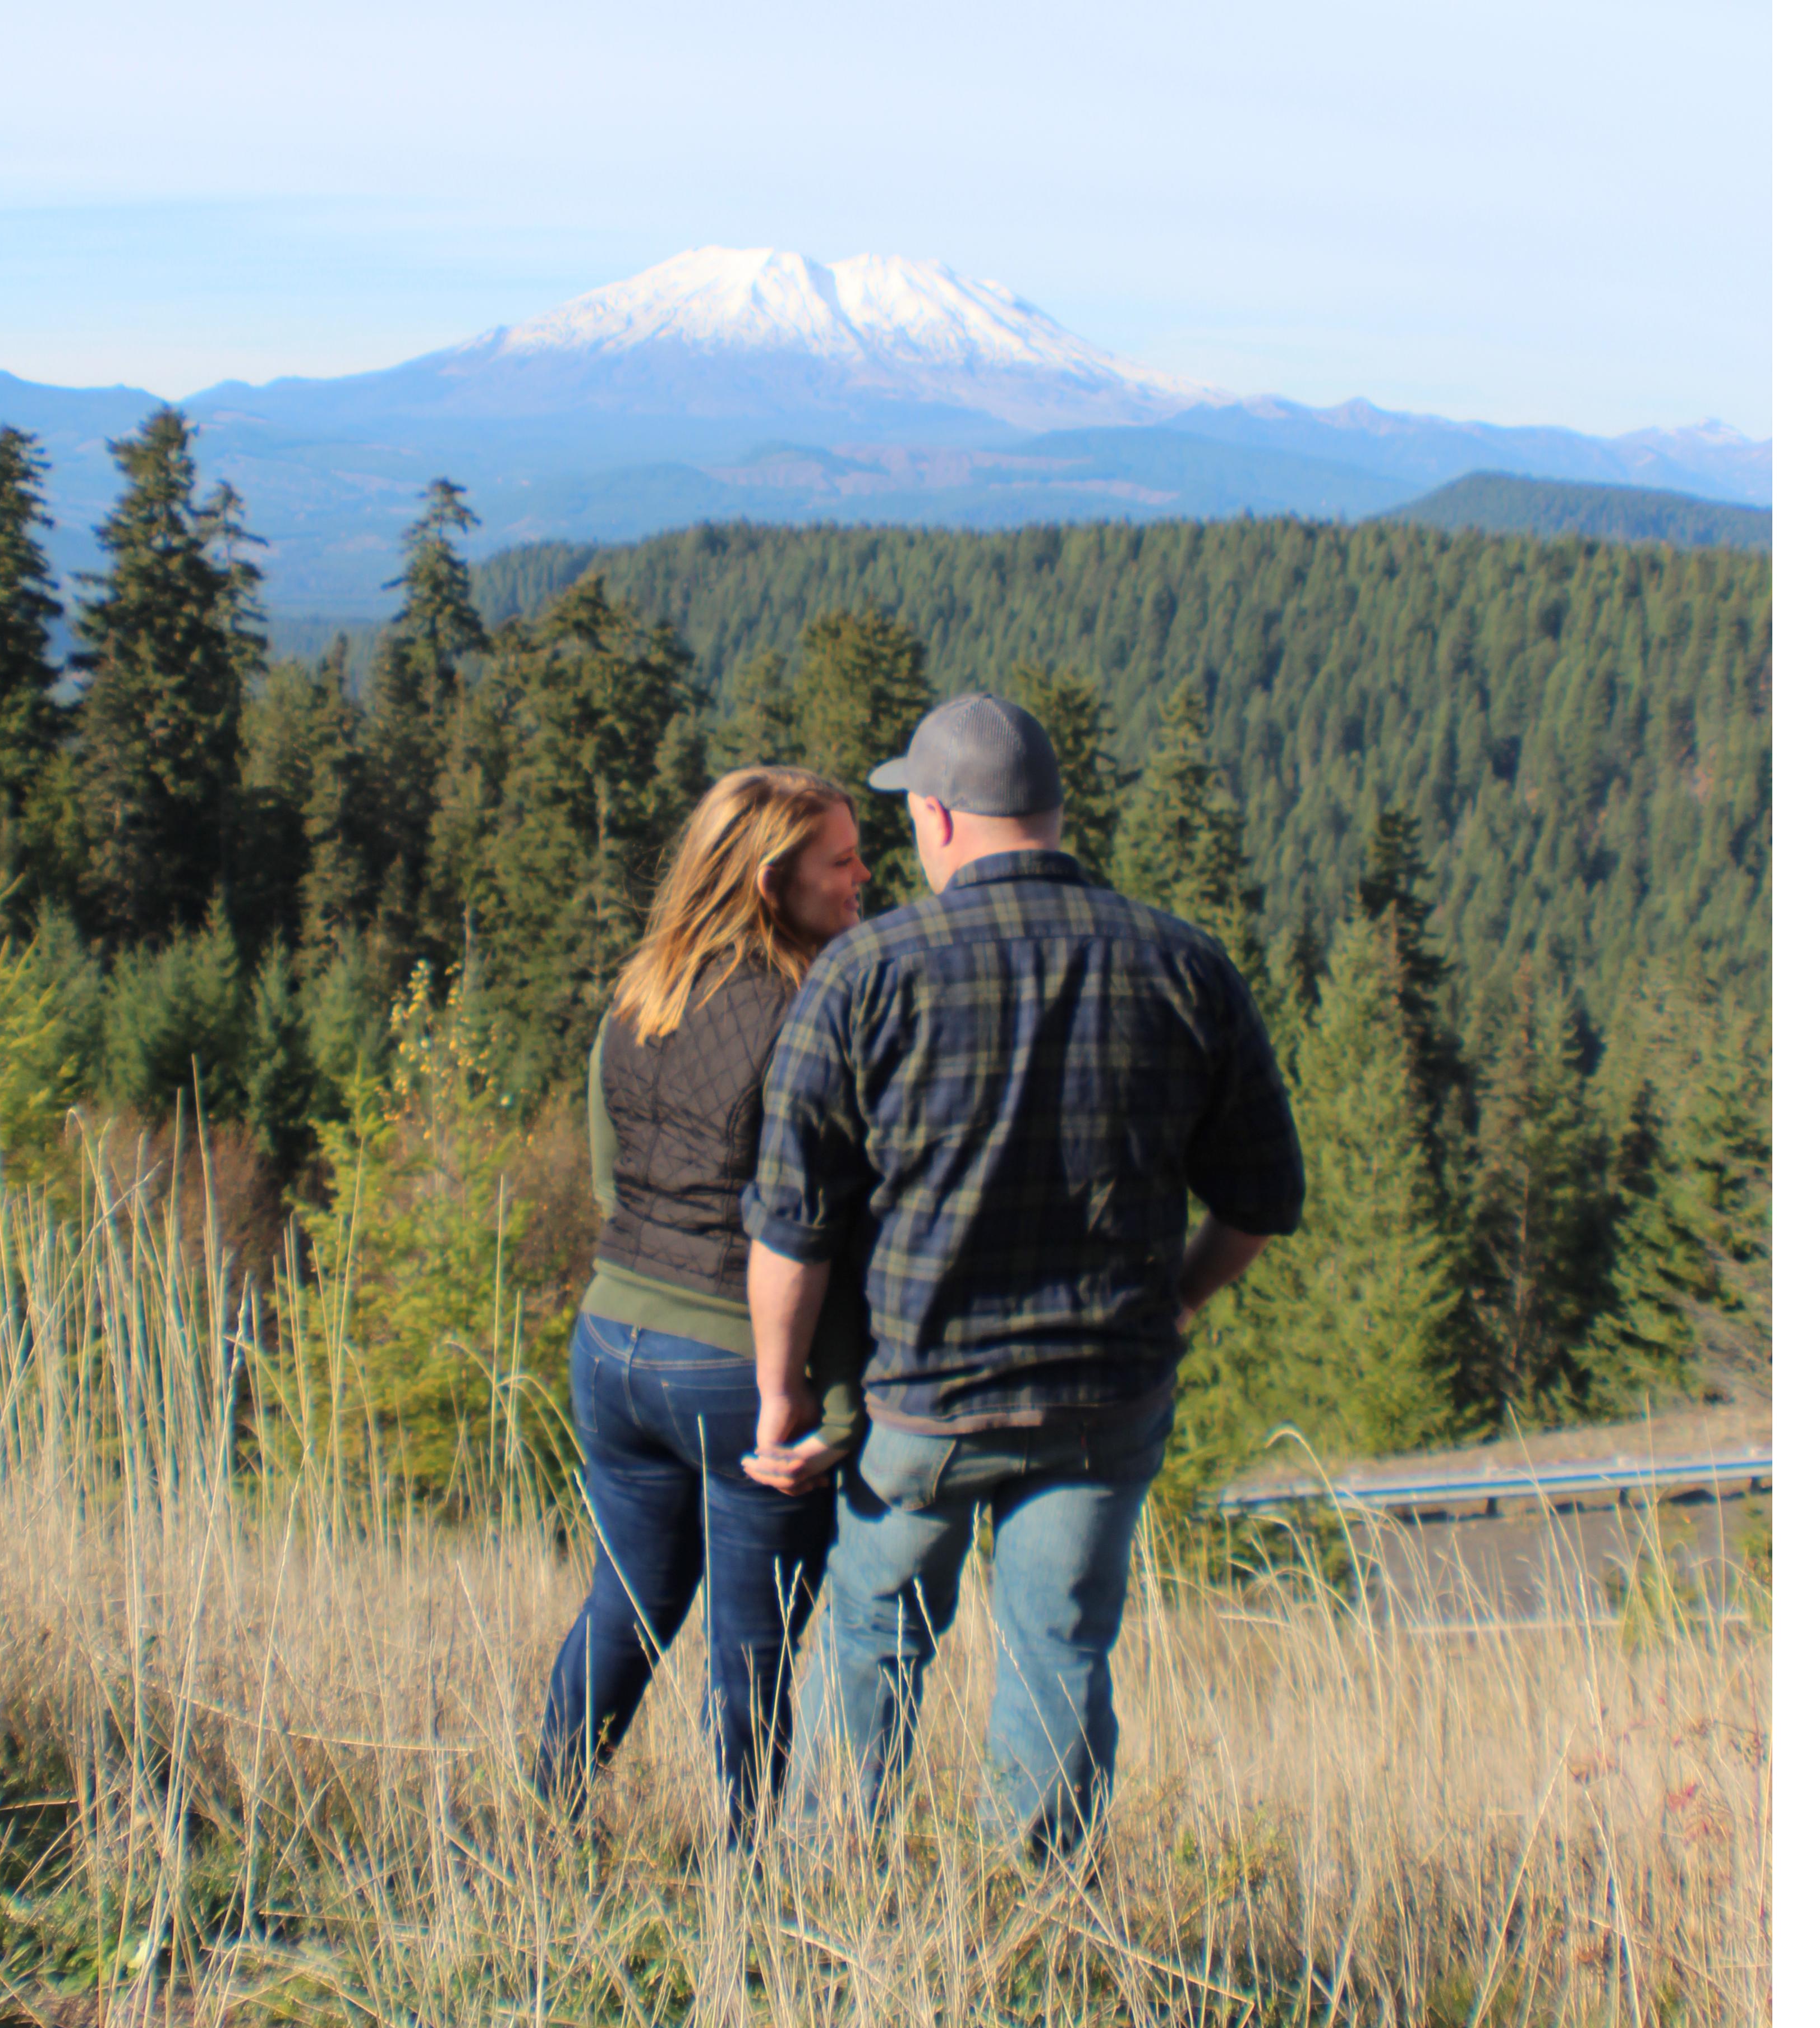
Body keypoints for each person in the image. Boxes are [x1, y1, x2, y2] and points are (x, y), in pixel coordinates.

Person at [744, 692, 1302, 1856]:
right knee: (1059, 1649)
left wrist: (781, 1392)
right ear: (1052, 815)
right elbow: (1263, 1199)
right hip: (1104, 1396)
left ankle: (824, 1898)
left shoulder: (864, 974)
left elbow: (791, 1225)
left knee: (874, 1641)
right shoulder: (1182, 964)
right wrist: (1178, 1304)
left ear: (939, 817)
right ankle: (1033, 1929)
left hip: (923, 1397)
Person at [534, 765, 874, 1841]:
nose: (866, 875)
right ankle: (751, 1883)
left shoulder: (641, 993)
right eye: (842, 860)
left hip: (613, 1342)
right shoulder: (813, 1015)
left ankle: (543, 1812)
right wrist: (843, 1404)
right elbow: (825, 1227)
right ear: (774, 880)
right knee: (757, 1644)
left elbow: (603, 1176)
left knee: (628, 1604)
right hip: (740, 1365)